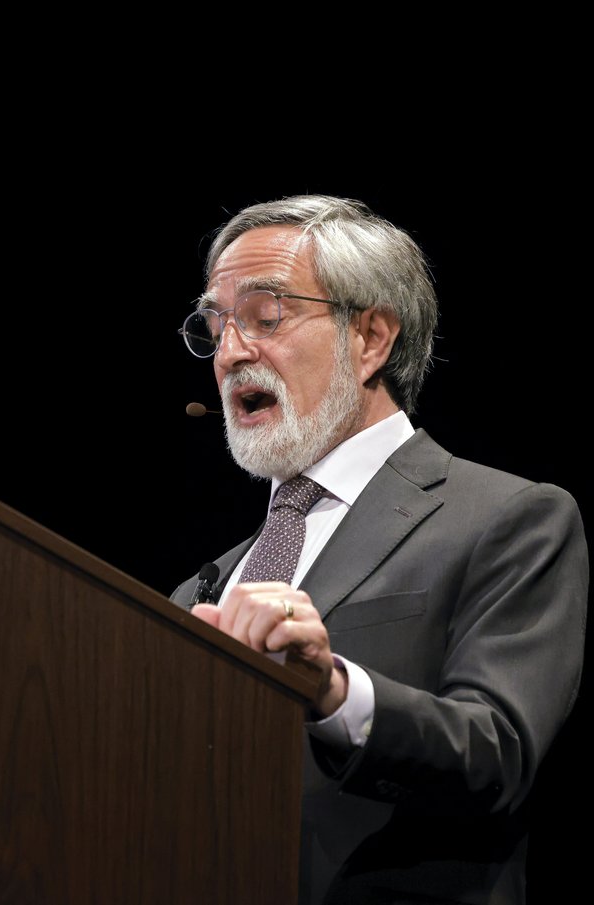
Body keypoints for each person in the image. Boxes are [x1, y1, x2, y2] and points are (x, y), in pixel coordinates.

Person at [169, 196, 587, 904]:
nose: (233, 352)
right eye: (216, 326)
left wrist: (334, 689)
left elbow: (497, 752)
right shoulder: (198, 594)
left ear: (371, 338)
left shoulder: (508, 519)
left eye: (266, 318)